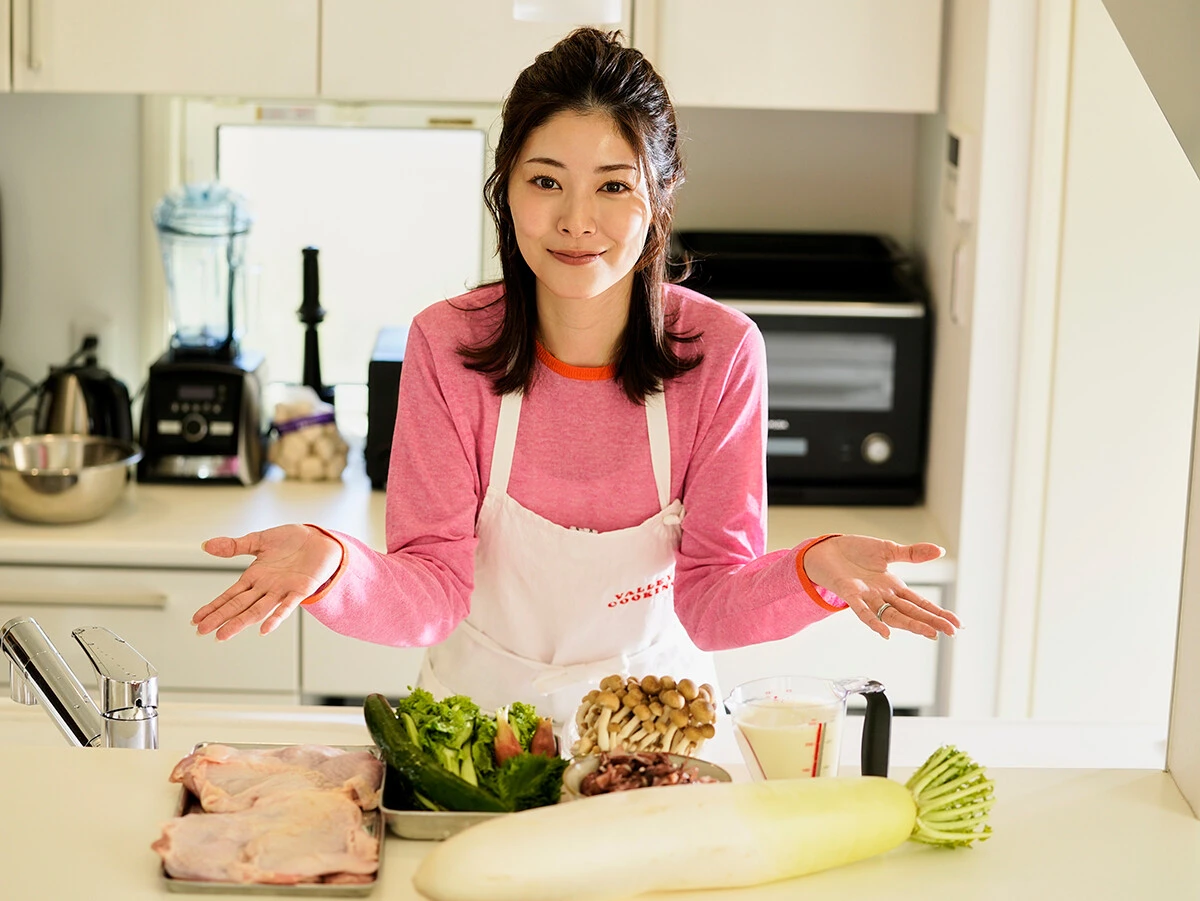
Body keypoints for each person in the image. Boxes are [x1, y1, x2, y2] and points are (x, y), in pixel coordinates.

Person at [192, 28, 959, 726]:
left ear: (657, 202)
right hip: (480, 731)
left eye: (614, 186)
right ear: (506, 191)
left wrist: (809, 569)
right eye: (547, 181)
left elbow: (714, 600)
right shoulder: (448, 344)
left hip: (659, 730)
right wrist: (336, 564)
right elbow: (428, 591)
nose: (577, 221)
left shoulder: (721, 353)